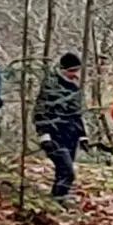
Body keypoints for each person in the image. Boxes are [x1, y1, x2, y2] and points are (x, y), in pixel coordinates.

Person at [34, 52, 85, 203]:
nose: (74, 74)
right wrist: (44, 135)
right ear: (62, 69)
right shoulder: (50, 87)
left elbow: (77, 114)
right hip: (54, 135)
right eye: (71, 71)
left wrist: (83, 135)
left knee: (62, 171)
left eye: (76, 70)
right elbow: (40, 112)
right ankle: (59, 198)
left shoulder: (74, 89)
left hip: (71, 136)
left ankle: (58, 199)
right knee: (67, 171)